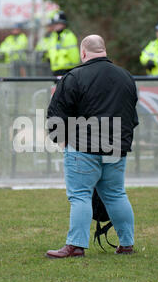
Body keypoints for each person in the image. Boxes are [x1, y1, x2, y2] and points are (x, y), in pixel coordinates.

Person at [46, 35, 139, 258]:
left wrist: (61, 140)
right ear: (104, 50)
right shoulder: (126, 77)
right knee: (116, 194)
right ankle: (126, 244)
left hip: (83, 147)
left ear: (84, 53)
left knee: (80, 196)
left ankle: (76, 245)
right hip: (116, 146)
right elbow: (131, 116)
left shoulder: (74, 76)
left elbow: (56, 114)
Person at [46, 11, 80, 76]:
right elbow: (51, 51)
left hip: (68, 70)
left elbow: (74, 54)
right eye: (54, 23)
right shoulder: (53, 36)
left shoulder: (69, 35)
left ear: (63, 24)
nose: (55, 26)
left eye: (58, 23)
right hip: (55, 70)